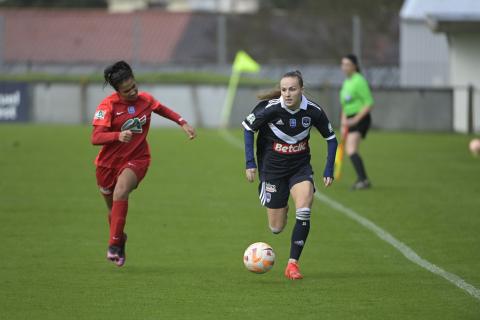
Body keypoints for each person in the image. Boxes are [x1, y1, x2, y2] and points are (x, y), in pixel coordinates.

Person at [91, 61, 196, 267]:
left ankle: (112, 245)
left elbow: (163, 110)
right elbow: (95, 137)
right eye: (126, 90)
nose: (132, 91)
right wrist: (117, 135)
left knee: (121, 192)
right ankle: (120, 239)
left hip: (137, 159)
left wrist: (182, 122)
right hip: (107, 165)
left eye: (134, 86)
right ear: (117, 90)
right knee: (113, 212)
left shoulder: (145, 100)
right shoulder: (108, 106)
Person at [242, 70, 337, 280]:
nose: (287, 94)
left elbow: (331, 138)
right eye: (284, 89)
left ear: (301, 90)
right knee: (276, 228)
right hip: (272, 170)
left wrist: (328, 169)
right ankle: (279, 201)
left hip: (300, 168)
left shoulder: (313, 111)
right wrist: (250, 163)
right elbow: (248, 128)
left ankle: (292, 264)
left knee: (304, 209)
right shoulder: (269, 109)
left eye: (292, 89)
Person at [340, 54, 374, 190]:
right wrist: (343, 124)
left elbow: (369, 103)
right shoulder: (346, 82)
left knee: (351, 149)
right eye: (343, 64)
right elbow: (344, 106)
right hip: (349, 119)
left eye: (347, 64)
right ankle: (363, 180)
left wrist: (355, 119)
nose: (344, 67)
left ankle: (363, 180)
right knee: (351, 149)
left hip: (360, 118)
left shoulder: (359, 80)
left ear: (355, 66)